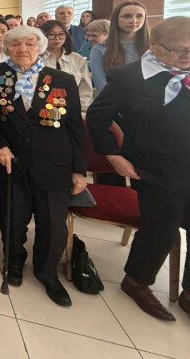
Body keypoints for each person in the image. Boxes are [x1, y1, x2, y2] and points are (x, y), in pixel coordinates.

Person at [86, 17, 190, 321]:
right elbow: (97, 118)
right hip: (155, 167)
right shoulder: (130, 78)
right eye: (180, 50)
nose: (187, 56)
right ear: (155, 46)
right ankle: (137, 281)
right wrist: (114, 157)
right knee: (161, 227)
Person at [0, 25, 86, 306]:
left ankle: (47, 272)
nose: (22, 49)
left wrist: (79, 170)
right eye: (15, 44)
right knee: (13, 220)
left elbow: (75, 127)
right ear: (7, 48)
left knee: (53, 225)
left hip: (54, 164)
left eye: (29, 43)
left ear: (40, 47)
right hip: (10, 163)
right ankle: (13, 264)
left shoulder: (62, 79)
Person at [89, 0, 150, 92]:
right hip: (113, 98)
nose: (133, 21)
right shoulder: (99, 49)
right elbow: (101, 84)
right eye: (127, 16)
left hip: (149, 98)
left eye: (139, 16)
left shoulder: (153, 47)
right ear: (116, 19)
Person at [39, 20, 93, 111]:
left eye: (61, 34)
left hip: (73, 109)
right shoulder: (36, 59)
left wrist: (83, 111)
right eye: (51, 34)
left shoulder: (77, 59)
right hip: (43, 109)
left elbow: (85, 89)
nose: (57, 38)